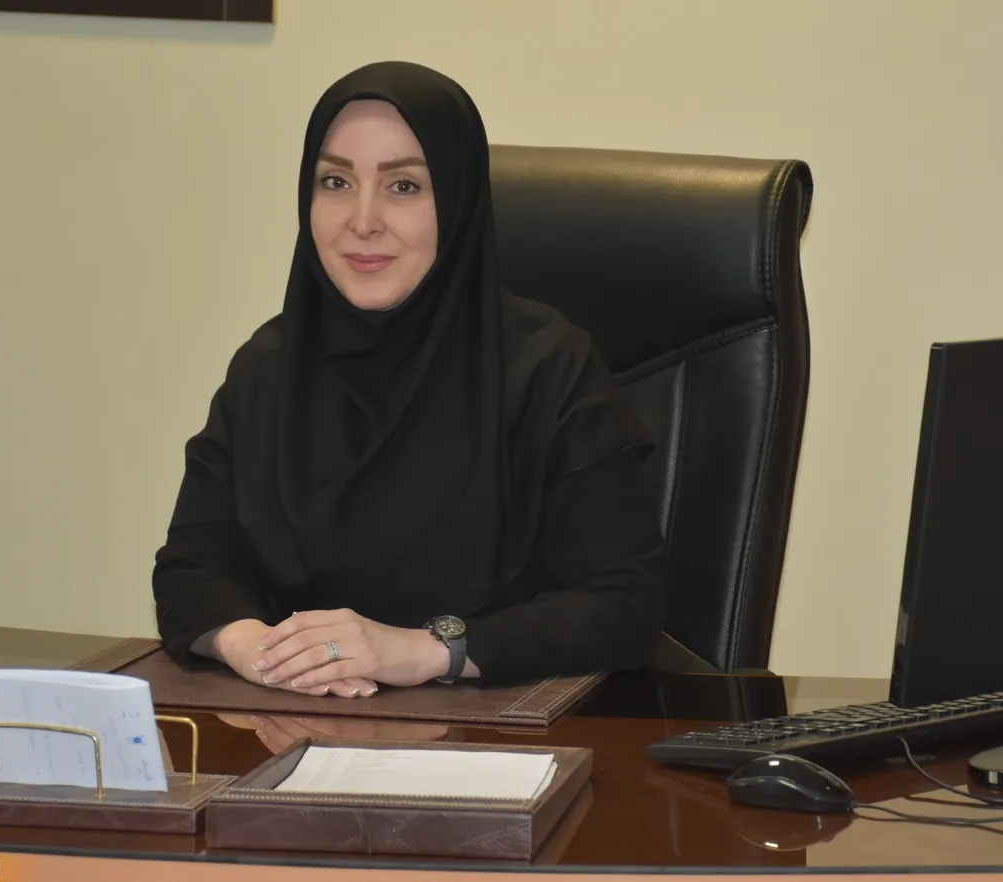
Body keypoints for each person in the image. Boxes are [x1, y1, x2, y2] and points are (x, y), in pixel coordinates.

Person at [151, 60, 667, 700]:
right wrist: (263, 650)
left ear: (457, 201)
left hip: (497, 734)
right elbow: (191, 569)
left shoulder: (548, 367)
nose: (363, 219)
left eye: (403, 186)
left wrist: (422, 649)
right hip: (298, 721)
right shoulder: (269, 367)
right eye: (336, 181)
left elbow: (625, 603)